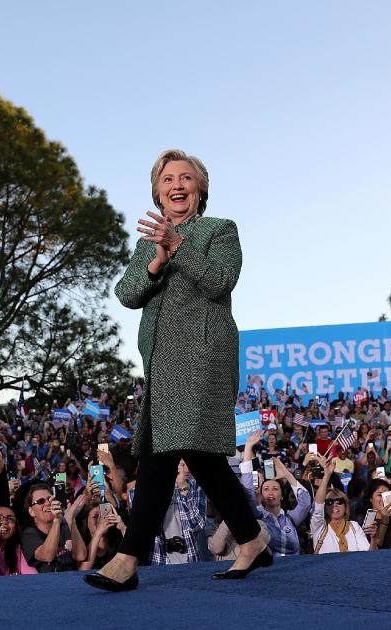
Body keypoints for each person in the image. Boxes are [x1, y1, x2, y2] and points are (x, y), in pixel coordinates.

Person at [87, 149, 268, 592]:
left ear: (200, 189)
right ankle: (252, 537)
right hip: (162, 358)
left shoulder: (219, 230)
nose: (177, 185)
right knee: (202, 457)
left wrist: (180, 247)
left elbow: (221, 280)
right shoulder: (147, 241)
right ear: (158, 191)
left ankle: (128, 559)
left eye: (186, 177)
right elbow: (127, 294)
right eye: (168, 179)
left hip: (204, 353)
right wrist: (156, 258)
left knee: (160, 453)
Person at [240, 432, 312, 556]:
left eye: (275, 488)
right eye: (266, 489)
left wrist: (287, 475)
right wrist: (247, 448)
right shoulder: (257, 517)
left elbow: (305, 503)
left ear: (282, 496)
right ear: (261, 495)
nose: (271, 492)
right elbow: (248, 491)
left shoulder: (290, 518)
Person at [311, 457, 376, 553]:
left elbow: (368, 556)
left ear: (346, 506)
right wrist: (327, 475)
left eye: (339, 501)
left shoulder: (354, 526)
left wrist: (373, 538)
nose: (335, 505)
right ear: (324, 508)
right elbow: (317, 506)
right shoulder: (319, 526)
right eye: (329, 502)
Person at [20, 483, 89, 573]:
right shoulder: (29, 534)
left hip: (71, 582)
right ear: (31, 511)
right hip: (48, 585)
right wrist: (56, 520)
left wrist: (71, 520)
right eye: (41, 501)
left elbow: (80, 555)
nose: (48, 503)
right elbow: (47, 556)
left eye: (50, 499)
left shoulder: (64, 526)